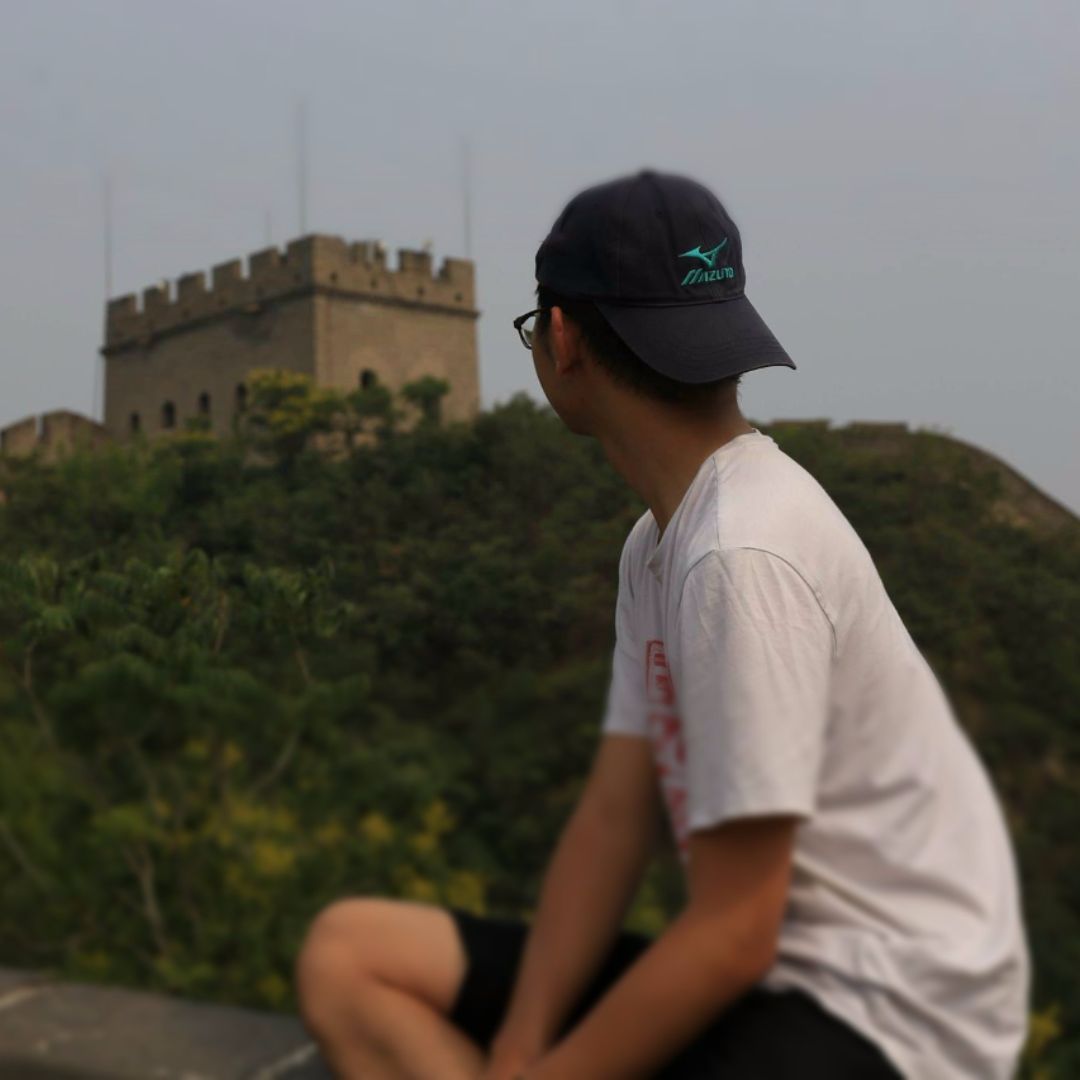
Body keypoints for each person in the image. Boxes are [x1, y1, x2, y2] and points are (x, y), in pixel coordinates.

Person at [294, 169, 1030, 1079]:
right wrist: (523, 1039)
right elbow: (616, 816)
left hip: (890, 1017)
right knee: (349, 957)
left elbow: (736, 933)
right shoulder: (658, 543)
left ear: (562, 339)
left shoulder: (740, 554)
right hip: (778, 978)